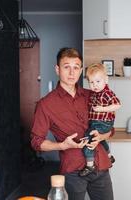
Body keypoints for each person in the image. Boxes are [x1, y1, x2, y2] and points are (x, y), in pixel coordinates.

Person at [31, 48, 114, 200]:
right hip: (72, 171)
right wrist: (62, 145)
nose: (72, 72)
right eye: (66, 66)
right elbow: (37, 142)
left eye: (76, 67)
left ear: (81, 70)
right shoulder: (46, 104)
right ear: (57, 69)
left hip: (100, 166)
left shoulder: (92, 96)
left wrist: (102, 136)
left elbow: (110, 128)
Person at [79, 63, 121, 177]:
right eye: (91, 82)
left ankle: (90, 164)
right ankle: (109, 156)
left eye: (98, 81)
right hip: (97, 122)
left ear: (105, 80)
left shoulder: (107, 93)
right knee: (101, 141)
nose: (95, 85)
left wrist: (103, 108)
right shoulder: (95, 93)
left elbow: (117, 105)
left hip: (103, 123)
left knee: (88, 138)